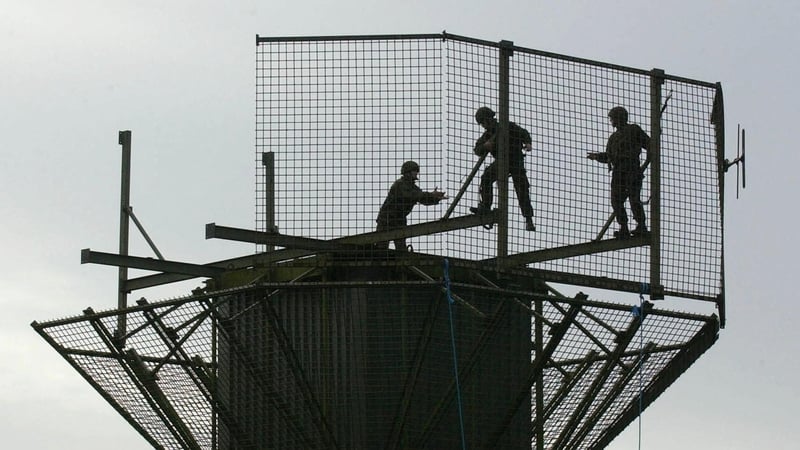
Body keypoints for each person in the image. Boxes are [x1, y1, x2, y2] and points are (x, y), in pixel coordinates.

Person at [587, 106, 650, 238]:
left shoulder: (633, 129)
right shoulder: (613, 138)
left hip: (631, 168)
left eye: (612, 118)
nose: (611, 121)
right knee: (616, 200)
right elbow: (610, 156)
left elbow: (649, 144)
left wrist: (649, 157)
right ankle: (624, 227)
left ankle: (641, 226)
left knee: (634, 198)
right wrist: (597, 156)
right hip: (618, 171)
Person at [470, 106, 536, 232]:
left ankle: (528, 219)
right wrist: (485, 146)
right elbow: (477, 149)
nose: (484, 125)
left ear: (489, 119)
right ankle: (486, 207)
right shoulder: (488, 135)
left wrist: (528, 143)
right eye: (482, 123)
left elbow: (523, 133)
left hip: (515, 160)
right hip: (501, 162)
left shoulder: (507, 126)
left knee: (522, 190)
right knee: (486, 178)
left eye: (484, 122)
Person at [375, 160, 447, 251]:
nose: (416, 173)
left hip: (399, 219)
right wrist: (431, 195)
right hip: (386, 219)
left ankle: (402, 261)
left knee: (401, 247)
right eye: (414, 171)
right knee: (381, 246)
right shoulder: (399, 184)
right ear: (408, 172)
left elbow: (422, 198)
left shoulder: (413, 187)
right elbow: (413, 195)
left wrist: (435, 198)